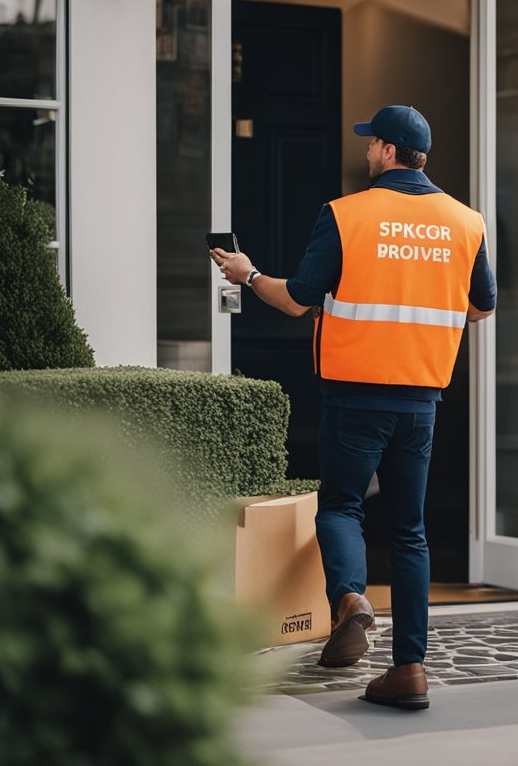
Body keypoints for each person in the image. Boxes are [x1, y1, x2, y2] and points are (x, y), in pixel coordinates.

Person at [211, 105, 495, 711]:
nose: (365, 152)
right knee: (410, 532)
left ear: (390, 151)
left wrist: (246, 272)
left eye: (372, 144)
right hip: (421, 398)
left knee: (341, 507)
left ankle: (350, 600)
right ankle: (410, 670)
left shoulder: (345, 214)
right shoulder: (465, 222)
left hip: (353, 393)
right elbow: (482, 307)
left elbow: (294, 301)